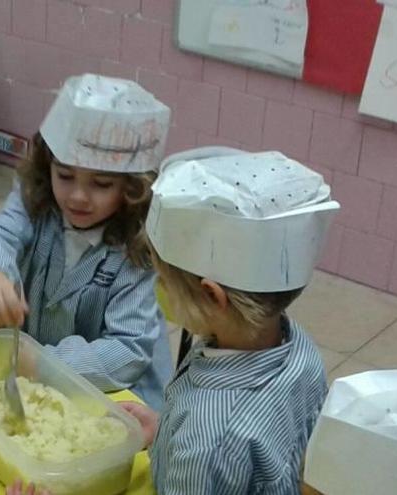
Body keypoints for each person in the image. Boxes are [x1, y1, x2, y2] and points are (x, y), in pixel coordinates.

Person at [124, 148, 341, 494]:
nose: (157, 287)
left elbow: (213, 451)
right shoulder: (298, 348)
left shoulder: (206, 442)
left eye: (163, 279)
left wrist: (188, 444)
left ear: (211, 297)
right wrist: (167, 434)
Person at [0, 73, 173, 411]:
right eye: (65, 175)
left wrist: (47, 364)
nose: (77, 196)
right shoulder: (36, 200)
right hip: (28, 373)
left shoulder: (139, 247)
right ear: (48, 168)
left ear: (133, 189)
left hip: (113, 392)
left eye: (101, 184)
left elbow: (128, 350)